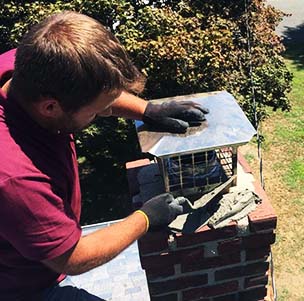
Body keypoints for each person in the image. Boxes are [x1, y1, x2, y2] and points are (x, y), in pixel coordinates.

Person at [0, 11, 208, 301]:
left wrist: (147, 111)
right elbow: (72, 257)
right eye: (97, 111)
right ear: (50, 108)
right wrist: (145, 218)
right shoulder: (14, 177)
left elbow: (95, 93)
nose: (104, 113)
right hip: (21, 288)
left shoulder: (26, 65)